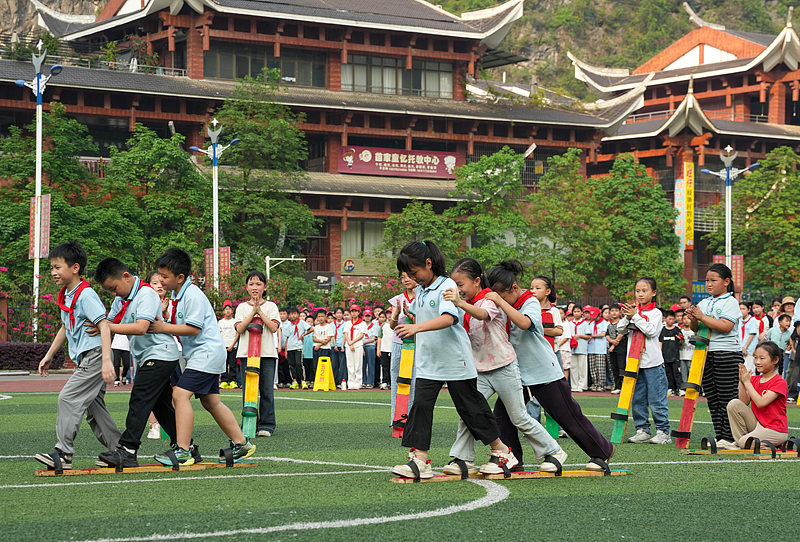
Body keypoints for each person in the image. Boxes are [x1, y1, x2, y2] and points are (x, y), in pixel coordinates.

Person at [390, 242, 518, 479]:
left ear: (428, 264)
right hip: (429, 362)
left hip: (455, 362)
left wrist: (416, 327)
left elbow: (449, 318)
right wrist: (404, 316)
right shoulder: (420, 290)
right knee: (421, 407)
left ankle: (501, 450)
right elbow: (422, 316)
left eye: (414, 271)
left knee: (471, 408)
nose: (412, 278)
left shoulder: (447, 285)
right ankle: (419, 458)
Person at [485, 260, 615, 471]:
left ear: (515, 288)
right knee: (503, 415)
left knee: (567, 415)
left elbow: (525, 323)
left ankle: (602, 452)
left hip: (543, 371)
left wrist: (500, 302)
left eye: (503, 295)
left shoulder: (530, 302)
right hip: (515, 373)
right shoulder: (503, 303)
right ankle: (513, 459)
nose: (500, 299)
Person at [440, 258, 566, 474]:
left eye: (461, 285)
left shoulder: (490, 300)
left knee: (519, 417)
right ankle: (463, 459)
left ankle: (554, 451)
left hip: (504, 367)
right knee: (469, 413)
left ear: (477, 281)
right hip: (480, 370)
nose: (458, 290)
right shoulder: (466, 304)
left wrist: (460, 303)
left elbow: (482, 314)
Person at [150, 248, 255, 464]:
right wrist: (167, 316)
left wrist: (163, 327)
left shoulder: (193, 295)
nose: (160, 280)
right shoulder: (177, 294)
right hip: (204, 354)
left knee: (179, 395)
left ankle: (183, 451)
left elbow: (193, 329)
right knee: (211, 401)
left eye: (164, 276)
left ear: (180, 277)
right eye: (159, 275)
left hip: (205, 353)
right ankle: (242, 444)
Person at [34, 242, 120, 470]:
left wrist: (106, 361)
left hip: (95, 355)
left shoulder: (86, 295)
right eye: (51, 267)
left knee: (68, 398)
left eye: (57, 267)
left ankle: (63, 454)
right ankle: (120, 451)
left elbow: (103, 325)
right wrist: (49, 355)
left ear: (74, 268)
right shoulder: (68, 295)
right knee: (94, 408)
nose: (53, 272)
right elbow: (65, 327)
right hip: (87, 357)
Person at [92, 258, 180, 468]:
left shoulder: (147, 293)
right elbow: (105, 323)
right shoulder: (121, 299)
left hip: (162, 354)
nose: (113, 294)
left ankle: (128, 450)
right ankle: (185, 446)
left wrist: (106, 327)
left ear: (125, 276)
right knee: (162, 406)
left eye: (113, 288)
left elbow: (140, 327)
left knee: (139, 398)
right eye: (109, 291)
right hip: (148, 356)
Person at [686, 263, 743, 449]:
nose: (708, 284)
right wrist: (693, 318)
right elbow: (696, 328)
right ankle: (721, 436)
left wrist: (701, 317)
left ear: (726, 282)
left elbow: (726, 327)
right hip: (706, 354)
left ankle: (730, 436)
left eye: (713, 280)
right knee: (713, 397)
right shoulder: (704, 302)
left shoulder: (731, 302)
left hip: (727, 354)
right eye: (707, 281)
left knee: (728, 398)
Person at [619, 277, 671, 444]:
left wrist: (635, 317)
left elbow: (651, 332)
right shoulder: (633, 312)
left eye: (644, 291)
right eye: (638, 291)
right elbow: (619, 329)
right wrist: (628, 317)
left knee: (657, 398)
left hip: (653, 363)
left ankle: (663, 431)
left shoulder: (655, 313)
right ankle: (642, 429)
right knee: (638, 399)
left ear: (653, 293)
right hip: (634, 363)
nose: (640, 294)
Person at [234, 271, 281, 437]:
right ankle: (249, 424)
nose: (255, 288)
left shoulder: (271, 306)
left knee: (267, 390)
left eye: (258, 284)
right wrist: (252, 312)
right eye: (251, 284)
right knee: (248, 391)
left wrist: (259, 311)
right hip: (247, 354)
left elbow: (274, 327)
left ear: (265, 287)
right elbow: (239, 328)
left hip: (267, 354)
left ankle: (267, 425)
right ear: (246, 287)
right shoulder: (241, 307)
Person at [726, 341, 788, 448]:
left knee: (744, 442)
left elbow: (761, 403)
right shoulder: (754, 380)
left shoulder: (779, 382)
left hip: (775, 430)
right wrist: (741, 381)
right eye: (755, 358)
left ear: (775, 360)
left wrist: (747, 382)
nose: (757, 362)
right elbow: (743, 403)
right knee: (734, 404)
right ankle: (742, 442)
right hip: (758, 425)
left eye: (762, 358)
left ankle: (750, 443)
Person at [389, 272, 417, 423]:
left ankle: (412, 419)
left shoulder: (422, 298)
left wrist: (410, 315)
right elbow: (392, 326)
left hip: (417, 344)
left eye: (409, 276)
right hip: (399, 344)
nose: (406, 280)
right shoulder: (398, 299)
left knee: (415, 381)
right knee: (397, 380)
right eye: (402, 277)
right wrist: (397, 313)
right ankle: (396, 418)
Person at [284, 307, 309, 390]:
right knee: (292, 365)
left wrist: (303, 335)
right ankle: (294, 381)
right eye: (291, 314)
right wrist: (286, 350)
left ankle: (303, 381)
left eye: (295, 313)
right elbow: (287, 337)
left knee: (299, 364)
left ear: (298, 314)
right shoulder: (288, 325)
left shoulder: (302, 323)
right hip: (290, 347)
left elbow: (311, 329)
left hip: (298, 346)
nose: (293, 315)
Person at [660, 310, 683, 396]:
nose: (671, 321)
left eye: (673, 319)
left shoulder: (677, 330)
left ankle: (679, 388)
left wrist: (680, 339)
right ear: (665, 319)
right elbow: (660, 342)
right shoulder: (662, 330)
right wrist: (660, 353)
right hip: (665, 356)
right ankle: (670, 388)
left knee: (676, 372)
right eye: (669, 319)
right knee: (668, 373)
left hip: (675, 356)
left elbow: (682, 341)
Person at [343, 305, 366, 390]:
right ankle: (351, 382)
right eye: (352, 311)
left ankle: (358, 382)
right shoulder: (348, 323)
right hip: (348, 345)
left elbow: (361, 335)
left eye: (355, 311)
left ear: (358, 312)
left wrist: (352, 342)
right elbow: (345, 333)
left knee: (358, 364)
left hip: (358, 345)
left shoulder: (362, 323)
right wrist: (349, 342)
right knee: (350, 364)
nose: (354, 313)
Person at [218, 300, 239, 389]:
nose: (227, 311)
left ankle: (233, 380)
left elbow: (237, 333)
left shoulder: (235, 322)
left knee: (233, 364)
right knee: (223, 364)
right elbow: (218, 335)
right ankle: (224, 380)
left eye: (229, 309)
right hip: (223, 347)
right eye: (226, 309)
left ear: (232, 311)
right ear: (223, 311)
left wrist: (232, 345)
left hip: (233, 346)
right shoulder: (220, 322)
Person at [586, 307, 608, 392]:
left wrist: (591, 336)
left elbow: (602, 334)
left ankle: (601, 384)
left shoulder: (604, 323)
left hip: (600, 349)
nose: (594, 318)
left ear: (599, 315)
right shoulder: (591, 323)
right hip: (591, 348)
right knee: (593, 368)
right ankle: (595, 383)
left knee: (600, 368)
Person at [570, 305, 589, 392]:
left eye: (578, 311)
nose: (576, 313)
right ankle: (574, 385)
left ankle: (582, 385)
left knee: (582, 368)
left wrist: (580, 336)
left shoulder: (585, 323)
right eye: (575, 311)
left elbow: (589, 336)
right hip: (572, 349)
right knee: (573, 368)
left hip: (582, 348)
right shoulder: (570, 323)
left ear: (582, 312)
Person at [607, 303, 625, 393]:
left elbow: (621, 334)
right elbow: (607, 335)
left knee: (622, 367)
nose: (614, 313)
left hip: (621, 349)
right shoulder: (609, 324)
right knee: (614, 368)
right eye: (612, 311)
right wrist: (611, 341)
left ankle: (623, 386)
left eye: (616, 311)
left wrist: (614, 344)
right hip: (611, 349)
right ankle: (617, 386)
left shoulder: (622, 323)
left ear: (620, 312)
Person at [311, 309, 334, 383]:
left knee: (324, 367)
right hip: (316, 348)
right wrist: (321, 341)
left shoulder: (329, 326)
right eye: (319, 316)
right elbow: (314, 338)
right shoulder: (316, 327)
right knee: (316, 365)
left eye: (322, 316)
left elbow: (328, 339)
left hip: (325, 349)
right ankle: (317, 381)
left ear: (325, 317)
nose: (321, 318)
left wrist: (320, 344)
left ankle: (324, 382)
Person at [679, 312, 695, 395]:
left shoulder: (694, 331)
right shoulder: (680, 331)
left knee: (692, 372)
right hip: (682, 355)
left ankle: (692, 388)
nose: (686, 321)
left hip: (692, 355)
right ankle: (684, 389)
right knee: (683, 373)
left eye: (688, 318)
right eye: (684, 319)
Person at [362, 308, 379, 388]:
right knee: (363, 365)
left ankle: (370, 382)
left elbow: (373, 339)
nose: (367, 317)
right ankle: (363, 381)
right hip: (362, 346)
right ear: (363, 316)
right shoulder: (361, 325)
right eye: (366, 316)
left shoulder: (374, 325)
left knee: (371, 364)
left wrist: (362, 343)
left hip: (370, 346)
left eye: (369, 316)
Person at [740, 302, 758, 373]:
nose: (741, 311)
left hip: (749, 350)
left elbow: (752, 334)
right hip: (740, 349)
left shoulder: (752, 320)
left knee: (750, 369)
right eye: (740, 309)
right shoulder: (739, 321)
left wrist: (745, 347)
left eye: (743, 309)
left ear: (748, 310)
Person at [331, 307, 347, 389]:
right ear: (334, 314)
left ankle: (341, 381)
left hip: (342, 346)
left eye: (340, 313)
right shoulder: (331, 324)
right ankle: (334, 381)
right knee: (334, 364)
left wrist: (342, 345)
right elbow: (332, 335)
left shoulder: (345, 324)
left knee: (342, 365)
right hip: (334, 346)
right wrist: (335, 345)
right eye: (337, 313)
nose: (339, 315)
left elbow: (345, 335)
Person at [377, 310, 393, 390]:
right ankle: (385, 382)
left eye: (391, 313)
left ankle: (392, 382)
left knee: (393, 367)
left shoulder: (397, 324)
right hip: (384, 349)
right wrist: (378, 349)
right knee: (385, 366)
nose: (389, 315)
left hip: (393, 349)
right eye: (388, 314)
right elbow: (380, 337)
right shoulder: (383, 325)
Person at [557, 306, 572, 381]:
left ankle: (565, 385)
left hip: (564, 348)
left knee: (565, 368)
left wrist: (558, 345)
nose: (560, 315)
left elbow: (566, 337)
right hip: (557, 349)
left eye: (561, 313)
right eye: (558, 313)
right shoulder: (556, 324)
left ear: (565, 315)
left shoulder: (566, 324)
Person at [301, 315, 315, 388]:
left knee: (312, 367)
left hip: (312, 353)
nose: (310, 323)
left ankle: (312, 380)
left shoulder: (314, 330)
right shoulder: (303, 331)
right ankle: (307, 380)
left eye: (311, 322)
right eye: (308, 321)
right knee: (306, 367)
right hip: (305, 353)